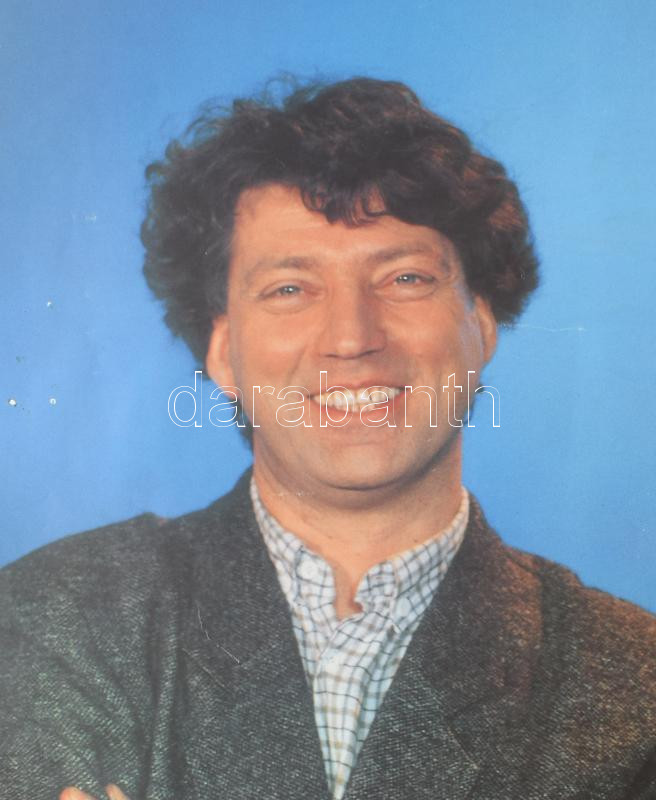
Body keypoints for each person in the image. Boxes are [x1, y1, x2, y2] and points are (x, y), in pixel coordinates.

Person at [1, 78, 655, 800]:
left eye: (405, 278)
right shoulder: (58, 616)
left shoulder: (634, 682)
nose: (351, 337)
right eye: (290, 288)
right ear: (221, 351)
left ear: (482, 322)